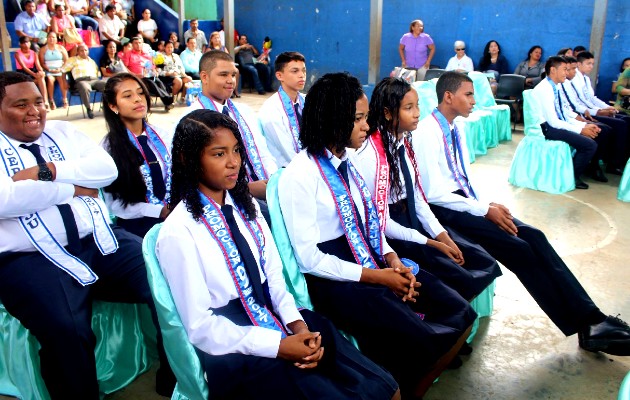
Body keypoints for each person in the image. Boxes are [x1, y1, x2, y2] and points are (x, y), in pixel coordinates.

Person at [157, 108, 401, 400]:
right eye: (219, 154)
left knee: (381, 384)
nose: (233, 162)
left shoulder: (247, 210)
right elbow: (201, 327)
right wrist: (279, 345)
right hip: (232, 345)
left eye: (236, 150)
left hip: (275, 313)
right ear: (188, 159)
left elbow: (274, 281)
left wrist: (297, 327)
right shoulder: (178, 231)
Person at [278, 72, 476, 397]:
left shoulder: (349, 160)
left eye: (364, 118)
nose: (366, 127)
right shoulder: (300, 174)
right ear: (332, 118)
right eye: (357, 119)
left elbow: (369, 222)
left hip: (371, 258)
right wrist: (379, 278)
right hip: (336, 277)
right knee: (420, 337)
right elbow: (309, 260)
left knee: (459, 310)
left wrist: (393, 260)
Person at [412, 71, 630, 357]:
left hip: (465, 202)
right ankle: (584, 323)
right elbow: (433, 193)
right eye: (468, 94)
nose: (474, 101)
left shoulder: (456, 128)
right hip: (446, 211)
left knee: (534, 236)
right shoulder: (426, 132)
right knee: (520, 248)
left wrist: (488, 202)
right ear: (448, 96)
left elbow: (463, 177)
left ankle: (591, 319)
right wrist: (483, 209)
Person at [0, 71, 175, 399]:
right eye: (20, 104)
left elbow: (106, 170)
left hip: (99, 239)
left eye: (38, 101)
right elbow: (5, 199)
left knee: (167, 276)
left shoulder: (63, 131)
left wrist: (48, 172)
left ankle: (176, 378)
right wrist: (75, 187)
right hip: (28, 259)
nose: (34, 110)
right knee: (66, 329)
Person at [353, 76, 501, 301]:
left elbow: (418, 198)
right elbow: (381, 223)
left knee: (484, 261)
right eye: (408, 108)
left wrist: (442, 236)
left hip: (414, 220)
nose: (416, 113)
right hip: (395, 232)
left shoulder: (404, 143)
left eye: (418, 105)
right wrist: (431, 242)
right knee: (457, 276)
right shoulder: (371, 155)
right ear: (387, 113)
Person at [178, 50, 277, 204]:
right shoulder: (190, 119)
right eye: (223, 75)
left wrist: (273, 181)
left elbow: (262, 152)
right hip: (225, 199)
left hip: (264, 189)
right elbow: (194, 174)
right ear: (204, 77)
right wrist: (245, 188)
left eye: (233, 74)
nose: (231, 80)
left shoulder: (244, 111)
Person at [101, 73, 171, 237]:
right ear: (113, 106)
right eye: (128, 96)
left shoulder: (164, 136)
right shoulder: (109, 148)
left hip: (175, 215)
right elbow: (115, 204)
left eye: (140, 93)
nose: (138, 99)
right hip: (138, 225)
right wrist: (158, 211)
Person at [532, 56, 609, 187]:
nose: (567, 73)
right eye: (564, 69)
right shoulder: (544, 89)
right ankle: (572, 177)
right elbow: (554, 122)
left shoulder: (556, 86)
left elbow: (564, 114)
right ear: (553, 70)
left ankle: (589, 168)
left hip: (556, 125)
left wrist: (585, 125)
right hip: (547, 129)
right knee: (589, 145)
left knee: (599, 132)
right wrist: (581, 130)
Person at [560, 55, 629, 176]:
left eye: (592, 63)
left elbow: (591, 98)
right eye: (588, 63)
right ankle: (605, 163)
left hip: (586, 111)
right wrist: (598, 111)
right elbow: (577, 104)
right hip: (582, 114)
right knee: (614, 126)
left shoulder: (585, 78)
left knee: (625, 120)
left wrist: (606, 107)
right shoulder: (570, 81)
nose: (591, 66)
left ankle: (619, 159)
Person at [258, 51, 306, 167]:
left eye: (303, 70)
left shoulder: (308, 101)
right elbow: (287, 151)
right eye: (295, 71)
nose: (301, 75)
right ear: (279, 75)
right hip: (287, 169)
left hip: (310, 162)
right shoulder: (271, 109)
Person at [120, 36, 174, 112]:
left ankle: (167, 100)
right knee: (152, 83)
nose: (138, 45)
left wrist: (154, 71)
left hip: (149, 74)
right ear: (132, 44)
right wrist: (134, 75)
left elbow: (152, 66)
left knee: (159, 82)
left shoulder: (146, 54)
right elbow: (124, 68)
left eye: (140, 43)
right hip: (137, 77)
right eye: (136, 43)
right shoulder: (128, 54)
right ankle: (168, 100)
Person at [61, 43, 104, 118]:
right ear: (77, 52)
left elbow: (97, 73)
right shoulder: (73, 60)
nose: (84, 52)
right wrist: (64, 82)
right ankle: (89, 109)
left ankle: (108, 107)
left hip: (94, 80)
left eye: (85, 50)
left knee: (107, 85)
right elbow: (63, 71)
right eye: (81, 50)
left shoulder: (91, 61)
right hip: (81, 81)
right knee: (84, 87)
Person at [15, 36, 49, 110]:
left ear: (30, 43)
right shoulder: (17, 54)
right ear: (20, 44)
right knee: (38, 78)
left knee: (41, 78)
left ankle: (45, 102)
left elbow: (38, 65)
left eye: (27, 42)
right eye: (24, 43)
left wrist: (41, 72)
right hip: (23, 73)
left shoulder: (33, 53)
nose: (26, 44)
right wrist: (34, 75)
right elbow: (24, 67)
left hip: (33, 71)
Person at [38, 31, 69, 109]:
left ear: (56, 39)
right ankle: (51, 101)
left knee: (62, 78)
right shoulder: (43, 49)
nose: (51, 39)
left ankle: (65, 99)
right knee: (50, 79)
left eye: (53, 37)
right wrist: (49, 69)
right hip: (49, 70)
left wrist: (60, 69)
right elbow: (42, 63)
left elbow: (66, 61)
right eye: (49, 37)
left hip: (60, 69)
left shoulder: (61, 48)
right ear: (47, 39)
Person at [208, 30, 240, 97]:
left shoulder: (223, 48)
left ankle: (235, 90)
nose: (217, 39)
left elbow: (228, 58)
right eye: (215, 38)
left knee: (236, 71)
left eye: (218, 38)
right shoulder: (209, 49)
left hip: (225, 66)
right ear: (211, 40)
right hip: (215, 67)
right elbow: (208, 61)